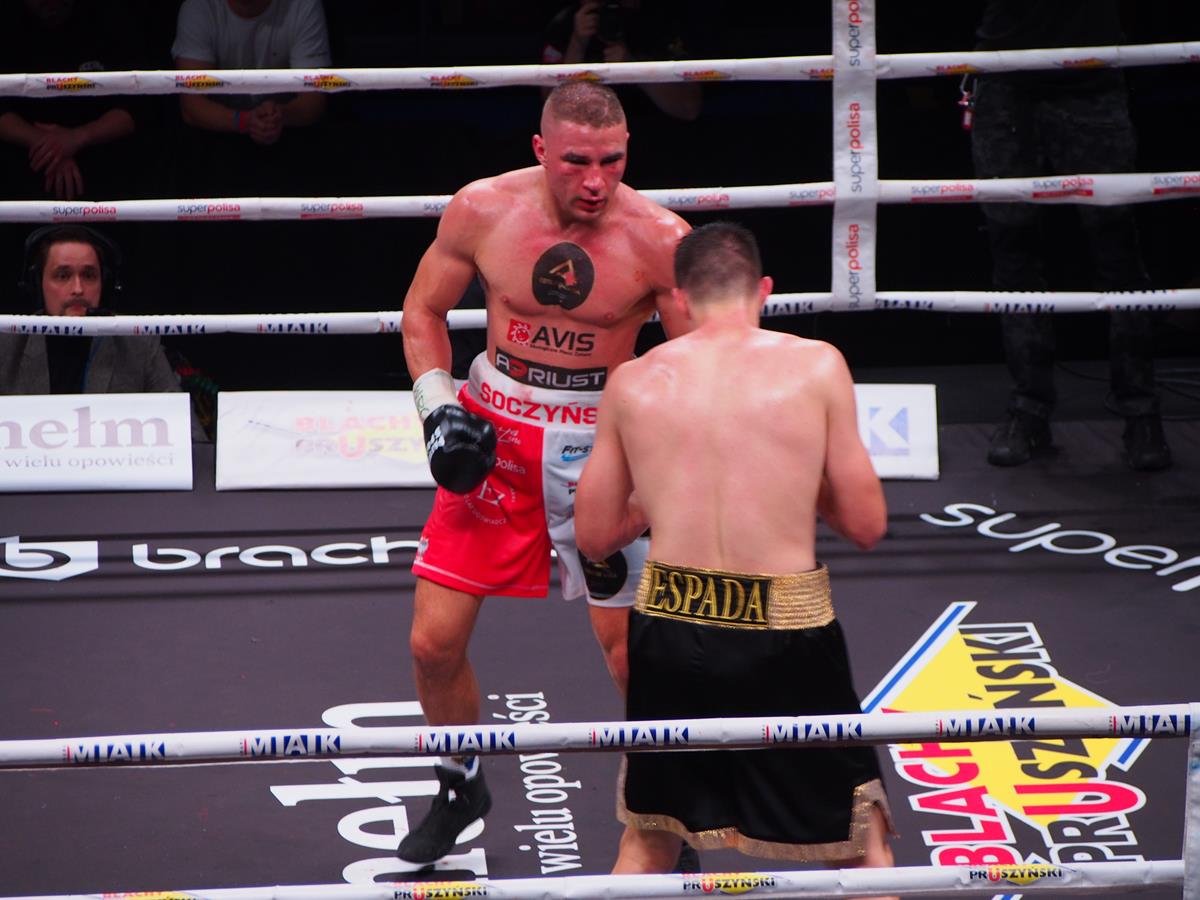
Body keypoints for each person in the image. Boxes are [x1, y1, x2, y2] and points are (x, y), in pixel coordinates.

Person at [397, 81, 690, 864]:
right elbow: (422, 311)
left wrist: (659, 462)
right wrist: (438, 408)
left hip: (604, 447)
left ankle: (663, 817)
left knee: (633, 658)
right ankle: (459, 782)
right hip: (495, 439)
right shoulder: (484, 209)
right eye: (576, 163)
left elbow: (699, 362)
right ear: (540, 150)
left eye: (612, 161)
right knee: (432, 644)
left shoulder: (659, 238)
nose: (596, 181)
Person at [574, 222, 895, 893]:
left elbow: (596, 535)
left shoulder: (633, 381)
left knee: (651, 836)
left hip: (670, 628)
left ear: (679, 299)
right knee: (859, 841)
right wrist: (800, 479)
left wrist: (660, 495)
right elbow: (866, 525)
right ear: (765, 290)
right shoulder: (817, 364)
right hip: (784, 630)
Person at [971, 0, 1171, 471]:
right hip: (1005, 81)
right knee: (1013, 251)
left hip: (1091, 79)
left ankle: (1141, 412)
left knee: (1117, 249)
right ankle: (1028, 409)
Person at [0, 225, 191, 402]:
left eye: (88, 275)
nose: (78, 289)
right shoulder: (7, 346)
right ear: (38, 284)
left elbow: (184, 425)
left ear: (105, 284)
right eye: (63, 276)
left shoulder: (136, 343)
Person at [0, 0, 145, 202]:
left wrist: (77, 137)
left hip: (106, 174)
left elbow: (137, 106)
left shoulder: (111, 21)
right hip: (21, 175)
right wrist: (49, 147)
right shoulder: (7, 25)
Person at [171, 0, 331, 148]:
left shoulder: (303, 5)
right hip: (215, 141)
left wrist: (279, 116)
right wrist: (245, 121)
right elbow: (192, 105)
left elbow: (314, 99)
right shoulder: (199, 7)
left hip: (291, 138)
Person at [541, 1, 702, 123]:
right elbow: (551, 112)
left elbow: (689, 108)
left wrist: (633, 69)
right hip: (584, 136)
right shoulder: (564, 25)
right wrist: (577, 45)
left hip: (656, 135)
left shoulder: (658, 22)